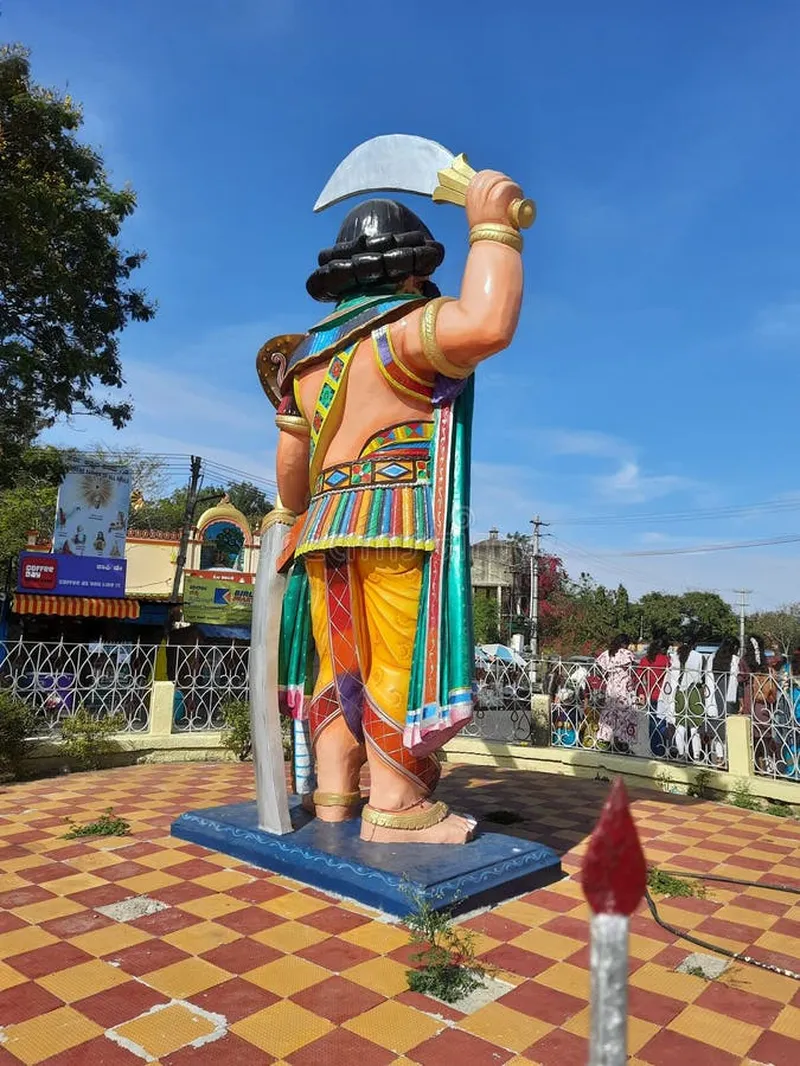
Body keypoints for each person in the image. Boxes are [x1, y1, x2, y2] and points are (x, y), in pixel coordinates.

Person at [269, 170, 527, 844]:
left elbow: (290, 480)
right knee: (394, 661)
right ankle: (396, 805)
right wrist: (493, 226)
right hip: (397, 521)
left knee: (336, 662)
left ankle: (332, 793)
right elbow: (489, 323)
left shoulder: (305, 362)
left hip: (323, 527)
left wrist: (301, 513)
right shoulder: (409, 328)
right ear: (414, 270)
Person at [595, 634, 638, 752]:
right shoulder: (626, 654)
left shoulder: (608, 653)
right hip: (624, 689)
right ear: (625, 644)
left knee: (609, 715)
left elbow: (598, 668)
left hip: (611, 688)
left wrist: (608, 675)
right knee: (624, 716)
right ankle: (621, 742)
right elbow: (634, 669)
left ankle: (604, 740)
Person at [636, 635, 670, 757]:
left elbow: (639, 678)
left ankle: (656, 750)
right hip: (665, 696)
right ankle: (668, 746)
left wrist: (641, 694)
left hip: (651, 694)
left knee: (652, 722)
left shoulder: (646, 660)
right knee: (664, 721)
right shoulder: (667, 660)